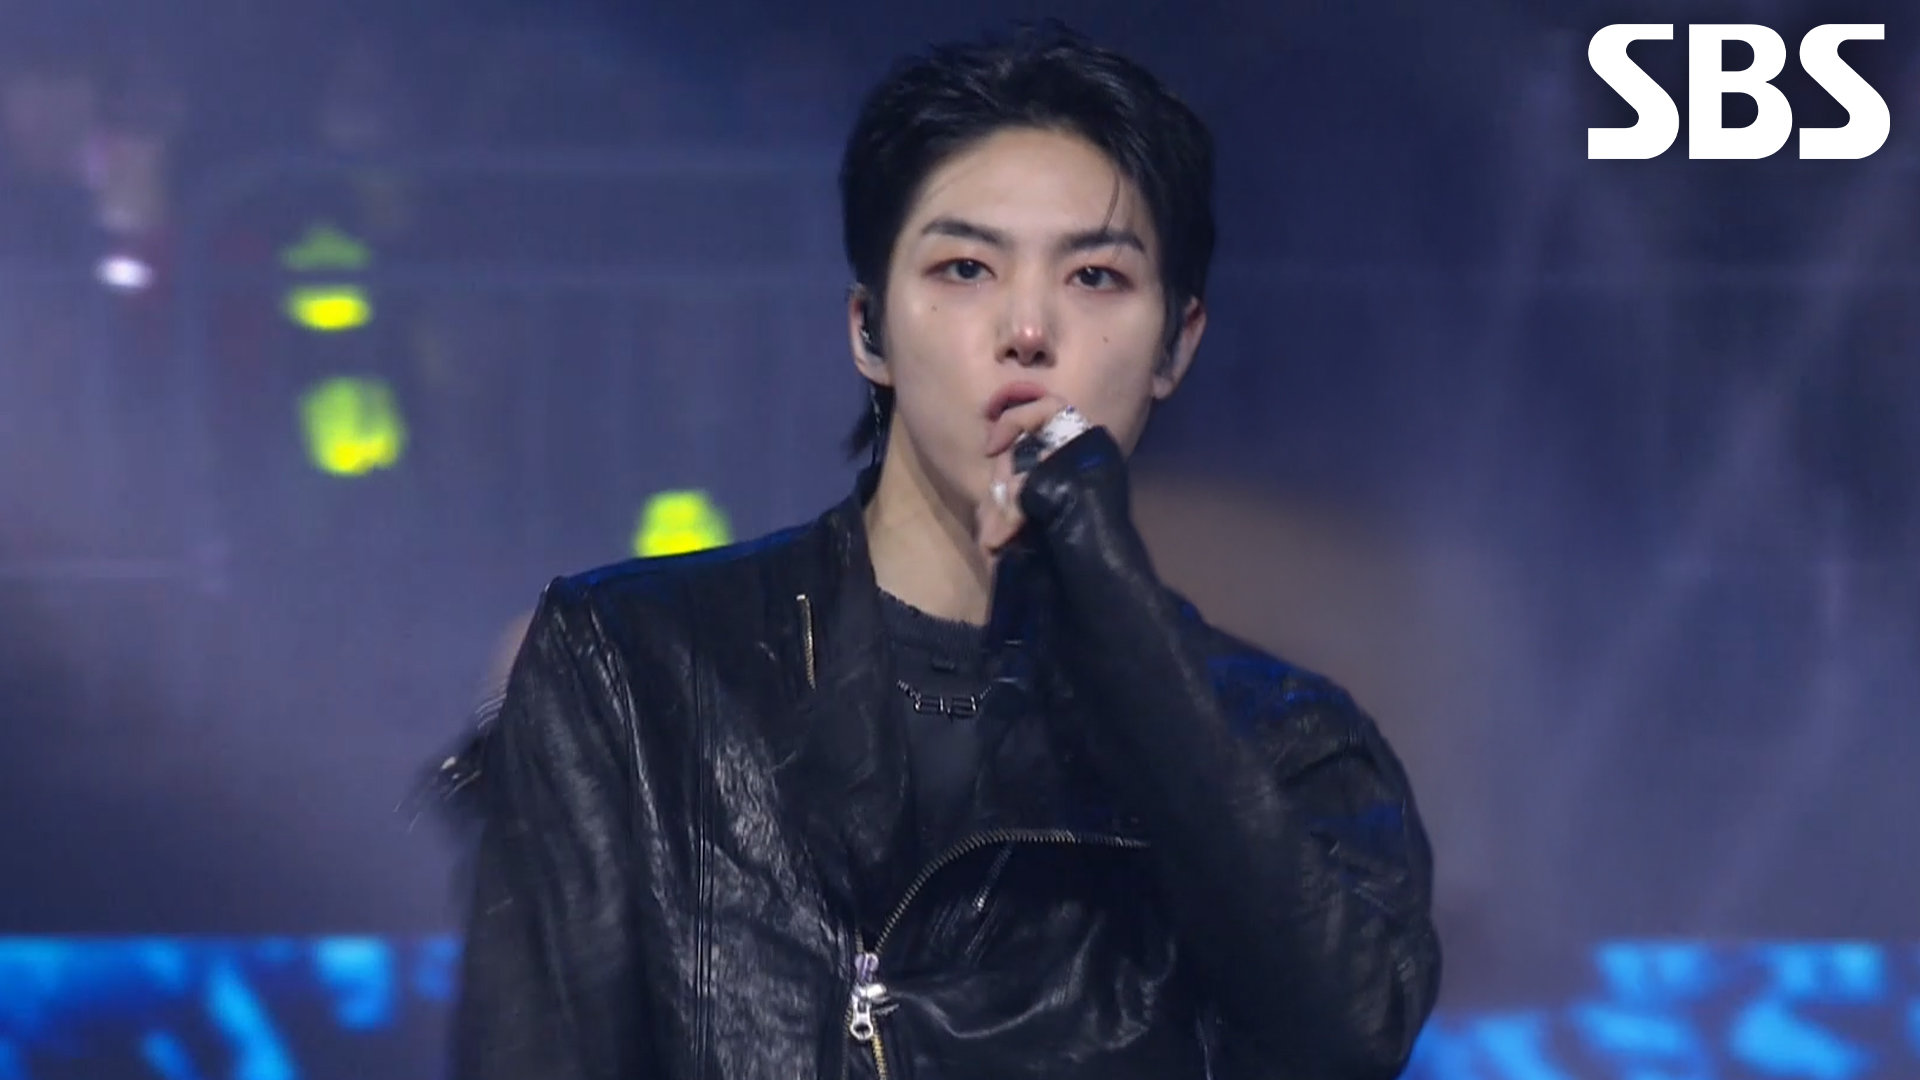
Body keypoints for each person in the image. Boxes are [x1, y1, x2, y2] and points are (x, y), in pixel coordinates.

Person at [434, 21, 1441, 1079]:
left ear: (1176, 344)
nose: (1028, 328)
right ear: (869, 328)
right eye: (966, 268)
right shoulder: (634, 670)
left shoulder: (1284, 746)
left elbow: (1348, 1034)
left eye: (1096, 277)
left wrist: (1115, 609)